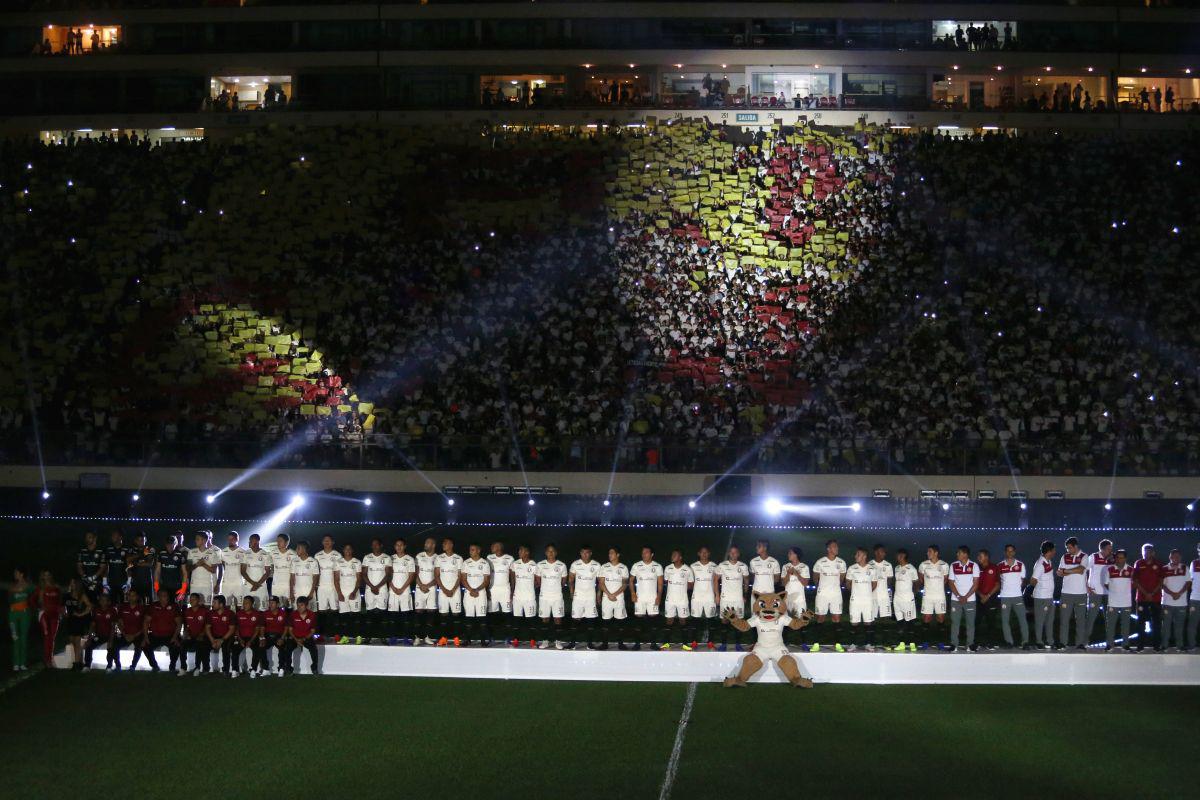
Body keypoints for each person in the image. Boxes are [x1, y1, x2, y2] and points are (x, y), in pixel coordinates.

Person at [812, 539, 848, 650]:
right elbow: (815, 577)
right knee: (820, 618)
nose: (836, 548)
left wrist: (834, 586)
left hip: (836, 594)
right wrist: (821, 587)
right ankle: (816, 644)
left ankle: (837, 644)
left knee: (836, 618)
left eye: (837, 547)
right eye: (834, 547)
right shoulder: (820, 562)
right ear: (828, 549)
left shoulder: (841, 563)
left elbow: (841, 578)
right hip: (822, 594)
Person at [1056, 536, 1088, 650]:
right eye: (1067, 548)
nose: (1068, 550)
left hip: (1081, 593)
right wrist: (1067, 571)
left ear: (1075, 546)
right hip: (1066, 593)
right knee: (1064, 619)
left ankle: (1080, 643)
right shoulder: (1064, 557)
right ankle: (1063, 642)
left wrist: (1067, 571)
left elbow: (1081, 570)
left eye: (1069, 548)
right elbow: (1059, 573)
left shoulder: (1084, 556)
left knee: (1080, 620)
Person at [629, 546, 663, 651]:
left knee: (653, 622)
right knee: (638, 621)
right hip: (640, 598)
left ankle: (653, 644)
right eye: (643, 552)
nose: (644, 554)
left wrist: (659, 596)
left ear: (652, 554)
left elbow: (660, 584)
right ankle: (637, 644)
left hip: (653, 598)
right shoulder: (636, 565)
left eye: (646, 552)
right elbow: (630, 581)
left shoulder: (657, 566)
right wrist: (633, 593)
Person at [997, 544, 1030, 649]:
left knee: (1022, 620)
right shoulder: (1000, 565)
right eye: (1008, 551)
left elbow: (1022, 581)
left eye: (1012, 551)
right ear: (1005, 552)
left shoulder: (1020, 565)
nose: (1010, 553)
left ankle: (1025, 642)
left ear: (1014, 552)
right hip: (1005, 597)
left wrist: (1016, 589)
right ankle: (1009, 642)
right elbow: (998, 581)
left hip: (1017, 597)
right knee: (1005, 621)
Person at [716, 546, 749, 651]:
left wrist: (744, 594)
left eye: (735, 552)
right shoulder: (722, 565)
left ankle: (738, 644)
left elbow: (746, 581)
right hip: (725, 599)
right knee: (725, 621)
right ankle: (724, 644)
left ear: (738, 554)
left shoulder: (743, 566)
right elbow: (715, 580)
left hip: (738, 599)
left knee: (738, 621)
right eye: (731, 552)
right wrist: (717, 595)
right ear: (729, 554)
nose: (733, 554)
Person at [845, 547, 878, 652]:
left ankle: (868, 644)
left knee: (868, 622)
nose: (855, 556)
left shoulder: (872, 569)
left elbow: (874, 584)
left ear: (864, 556)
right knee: (854, 622)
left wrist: (866, 593)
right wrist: (856, 592)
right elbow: (848, 583)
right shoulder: (851, 568)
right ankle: (853, 644)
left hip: (867, 600)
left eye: (858, 554)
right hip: (855, 600)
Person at [536, 544, 568, 649]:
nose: (551, 553)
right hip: (544, 596)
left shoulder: (562, 565)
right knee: (545, 619)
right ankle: (545, 641)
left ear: (556, 552)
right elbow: (538, 580)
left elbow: (563, 581)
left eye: (553, 551)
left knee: (557, 619)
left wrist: (555, 588)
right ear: (545, 553)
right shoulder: (540, 565)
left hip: (557, 596)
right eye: (549, 551)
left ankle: (558, 641)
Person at [1132, 543, 1164, 652]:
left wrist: (1152, 593)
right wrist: (1146, 593)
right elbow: (1135, 581)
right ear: (1142, 552)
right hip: (1141, 598)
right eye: (1144, 552)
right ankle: (1140, 646)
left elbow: (1161, 581)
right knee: (1140, 623)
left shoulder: (1158, 564)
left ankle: (1156, 646)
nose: (1146, 554)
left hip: (1156, 598)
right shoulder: (1138, 563)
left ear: (1153, 552)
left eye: (1149, 552)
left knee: (1156, 623)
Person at [948, 546, 979, 652]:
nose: (957, 554)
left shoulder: (974, 566)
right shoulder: (953, 565)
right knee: (955, 623)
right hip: (955, 600)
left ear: (965, 554)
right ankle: (954, 644)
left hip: (970, 600)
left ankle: (970, 644)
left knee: (970, 623)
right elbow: (951, 583)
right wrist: (958, 596)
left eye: (959, 553)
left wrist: (965, 597)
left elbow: (976, 584)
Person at [568, 546, 601, 649]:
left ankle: (590, 644)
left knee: (590, 621)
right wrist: (571, 592)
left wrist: (598, 595)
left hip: (590, 597)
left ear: (590, 553)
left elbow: (600, 582)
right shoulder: (575, 564)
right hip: (578, 597)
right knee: (575, 620)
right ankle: (572, 644)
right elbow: (570, 580)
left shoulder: (596, 565)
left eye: (587, 553)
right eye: (583, 552)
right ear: (580, 553)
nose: (585, 555)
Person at [142, 589, 182, 673]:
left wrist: (175, 637)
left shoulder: (174, 606)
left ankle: (172, 665)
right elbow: (146, 622)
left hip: (170, 635)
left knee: (176, 646)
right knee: (145, 646)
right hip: (155, 635)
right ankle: (154, 666)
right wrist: (145, 637)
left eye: (166, 596)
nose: (165, 598)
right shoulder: (153, 606)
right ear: (158, 597)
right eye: (162, 596)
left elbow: (179, 623)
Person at [661, 550, 694, 650]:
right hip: (670, 599)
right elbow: (666, 581)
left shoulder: (687, 569)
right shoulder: (668, 568)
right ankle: (666, 643)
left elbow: (691, 584)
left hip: (682, 600)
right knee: (669, 620)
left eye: (675, 555)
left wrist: (681, 590)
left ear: (680, 557)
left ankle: (685, 644)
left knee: (683, 621)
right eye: (672, 554)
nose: (672, 556)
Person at [1102, 550, 1135, 651]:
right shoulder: (1110, 569)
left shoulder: (1131, 569)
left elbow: (1134, 584)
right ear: (1115, 558)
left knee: (1125, 624)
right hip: (1113, 601)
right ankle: (1109, 644)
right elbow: (1106, 584)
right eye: (1118, 557)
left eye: (1122, 558)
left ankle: (1125, 644)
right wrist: (1114, 592)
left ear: (1125, 558)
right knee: (1110, 624)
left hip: (1126, 602)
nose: (1120, 559)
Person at [918, 545, 950, 645]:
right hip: (928, 596)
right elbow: (921, 579)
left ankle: (941, 642)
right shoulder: (923, 564)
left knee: (940, 618)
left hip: (940, 596)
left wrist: (937, 587)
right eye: (927, 552)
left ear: (936, 553)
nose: (928, 553)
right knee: (927, 618)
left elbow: (945, 580)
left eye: (930, 551)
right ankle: (925, 642)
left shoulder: (944, 565)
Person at [1084, 539, 1114, 646]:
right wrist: (1086, 586)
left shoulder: (1112, 559)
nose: (1110, 551)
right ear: (1101, 549)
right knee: (1091, 617)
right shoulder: (1093, 557)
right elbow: (1084, 571)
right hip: (1095, 592)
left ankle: (1110, 642)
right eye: (1108, 549)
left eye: (1111, 549)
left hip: (1109, 593)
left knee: (1110, 618)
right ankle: (1085, 641)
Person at [434, 538, 464, 645]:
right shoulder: (439, 558)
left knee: (456, 614)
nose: (443, 544)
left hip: (455, 591)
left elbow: (460, 576)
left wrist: (453, 589)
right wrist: (444, 589)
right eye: (443, 543)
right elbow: (437, 576)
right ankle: (443, 638)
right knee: (444, 615)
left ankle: (456, 638)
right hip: (443, 591)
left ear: (451, 544)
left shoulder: (459, 558)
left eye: (445, 543)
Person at [361, 538, 391, 641]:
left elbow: (387, 574)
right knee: (370, 613)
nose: (374, 546)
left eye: (377, 544)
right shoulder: (367, 557)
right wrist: (372, 586)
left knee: (382, 613)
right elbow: (364, 574)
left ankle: (383, 637)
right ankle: (368, 637)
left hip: (382, 590)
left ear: (381, 545)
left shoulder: (387, 557)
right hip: (370, 589)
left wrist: (377, 586)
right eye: (373, 545)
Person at [599, 547, 629, 650]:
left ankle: (620, 644)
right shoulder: (604, 567)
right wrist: (609, 594)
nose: (609, 555)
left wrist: (614, 594)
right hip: (606, 598)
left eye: (612, 553)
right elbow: (601, 583)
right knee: (605, 622)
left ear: (618, 555)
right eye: (609, 553)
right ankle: (605, 644)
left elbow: (625, 584)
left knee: (619, 622)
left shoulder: (623, 568)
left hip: (619, 598)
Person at [1028, 540, 1057, 650]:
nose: (1055, 552)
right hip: (1041, 597)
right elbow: (1033, 580)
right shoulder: (1040, 564)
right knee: (1040, 621)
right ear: (1049, 551)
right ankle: (1039, 641)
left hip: (1049, 597)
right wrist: (1032, 592)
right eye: (1053, 550)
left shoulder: (1048, 562)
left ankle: (1050, 641)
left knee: (1050, 621)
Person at [461, 543, 491, 646]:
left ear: (478, 551)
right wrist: (471, 590)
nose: (470, 551)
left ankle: (483, 640)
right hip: (469, 593)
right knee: (468, 617)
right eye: (470, 549)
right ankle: (467, 639)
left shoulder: (485, 563)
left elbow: (487, 580)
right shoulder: (466, 563)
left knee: (481, 618)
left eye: (473, 550)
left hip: (480, 593)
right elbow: (463, 579)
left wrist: (477, 589)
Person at [33, 571, 64, 668]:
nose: (47, 577)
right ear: (42, 577)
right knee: (47, 636)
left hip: (55, 615)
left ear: (51, 576)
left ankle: (49, 658)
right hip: (44, 615)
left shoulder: (56, 588)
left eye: (48, 575)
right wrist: (38, 607)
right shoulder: (40, 588)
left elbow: (60, 601)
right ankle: (47, 660)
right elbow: (32, 600)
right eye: (45, 575)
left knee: (52, 637)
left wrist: (61, 612)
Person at [689, 546, 718, 649]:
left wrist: (716, 595)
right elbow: (690, 582)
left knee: (711, 621)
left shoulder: (714, 566)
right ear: (699, 553)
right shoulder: (693, 566)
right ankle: (694, 641)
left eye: (706, 552)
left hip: (710, 597)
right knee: (695, 621)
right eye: (702, 552)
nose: (704, 554)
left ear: (709, 554)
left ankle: (710, 642)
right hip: (696, 597)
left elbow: (716, 582)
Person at [511, 545, 540, 647]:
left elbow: (538, 581)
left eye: (522, 550)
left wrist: (530, 588)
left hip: (529, 597)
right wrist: (512, 591)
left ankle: (532, 640)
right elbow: (513, 579)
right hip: (517, 597)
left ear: (527, 552)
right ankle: (515, 640)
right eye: (519, 550)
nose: (519, 552)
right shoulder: (515, 564)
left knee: (531, 620)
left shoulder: (534, 565)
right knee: (516, 619)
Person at [112, 588, 147, 671]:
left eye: (133, 596)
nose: (131, 598)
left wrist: (135, 635)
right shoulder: (123, 607)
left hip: (138, 634)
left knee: (140, 647)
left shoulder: (142, 608)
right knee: (114, 646)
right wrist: (125, 634)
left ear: (137, 597)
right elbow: (119, 623)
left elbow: (145, 625)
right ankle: (117, 666)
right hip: (125, 634)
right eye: (129, 596)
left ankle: (133, 666)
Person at [388, 538, 416, 644]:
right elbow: (388, 575)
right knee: (393, 616)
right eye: (397, 545)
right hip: (393, 591)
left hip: (405, 591)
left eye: (401, 545)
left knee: (406, 617)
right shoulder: (390, 558)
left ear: (405, 546)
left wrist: (402, 588)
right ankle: (393, 637)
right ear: (394, 546)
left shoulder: (410, 559)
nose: (399, 547)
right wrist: (393, 588)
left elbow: (411, 576)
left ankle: (406, 638)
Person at [1161, 548, 1189, 652]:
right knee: (1166, 626)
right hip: (1167, 602)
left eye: (1178, 556)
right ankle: (1164, 645)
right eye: (1174, 556)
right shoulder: (1164, 568)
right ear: (1170, 557)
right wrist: (1173, 593)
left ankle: (1180, 645)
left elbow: (1188, 583)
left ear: (1180, 557)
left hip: (1181, 603)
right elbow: (1162, 585)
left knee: (1179, 627)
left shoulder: (1185, 568)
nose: (1176, 558)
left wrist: (1179, 593)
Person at [283, 597, 320, 675]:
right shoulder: (293, 614)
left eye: (301, 605)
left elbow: (313, 631)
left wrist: (303, 639)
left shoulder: (312, 615)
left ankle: (314, 668)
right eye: (298, 605)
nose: (299, 607)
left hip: (306, 637)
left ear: (306, 606)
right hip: (294, 637)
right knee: (287, 648)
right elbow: (290, 630)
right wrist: (296, 640)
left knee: (314, 650)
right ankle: (289, 669)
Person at [891, 549, 919, 651]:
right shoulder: (897, 568)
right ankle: (901, 643)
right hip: (897, 599)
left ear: (903, 555)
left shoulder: (911, 568)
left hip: (907, 599)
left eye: (898, 555)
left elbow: (916, 583)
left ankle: (912, 644)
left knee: (909, 621)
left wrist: (913, 595)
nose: (896, 557)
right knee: (900, 622)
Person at [63, 579, 93, 671]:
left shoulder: (81, 595)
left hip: (79, 621)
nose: (72, 585)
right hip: (70, 620)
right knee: (72, 640)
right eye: (71, 583)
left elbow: (89, 606)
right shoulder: (67, 595)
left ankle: (76, 664)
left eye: (73, 583)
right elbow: (63, 606)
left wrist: (81, 614)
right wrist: (64, 613)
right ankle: (79, 662)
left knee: (77, 641)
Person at [486, 541, 513, 644]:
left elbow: (512, 576)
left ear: (499, 547)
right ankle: (491, 637)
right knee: (491, 615)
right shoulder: (489, 557)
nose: (491, 547)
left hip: (505, 590)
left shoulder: (509, 558)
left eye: (494, 545)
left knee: (507, 614)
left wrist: (512, 590)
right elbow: (487, 574)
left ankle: (508, 638)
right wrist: (487, 589)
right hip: (492, 590)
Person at [413, 537, 439, 645]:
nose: (426, 544)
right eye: (425, 542)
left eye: (428, 543)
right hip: (420, 588)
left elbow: (438, 575)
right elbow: (415, 573)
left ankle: (428, 636)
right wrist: (421, 585)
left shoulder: (438, 558)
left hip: (432, 588)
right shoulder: (419, 556)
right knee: (419, 612)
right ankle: (417, 637)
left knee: (431, 612)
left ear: (433, 545)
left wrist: (427, 585)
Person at [335, 544, 363, 641]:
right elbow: (336, 579)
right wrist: (339, 593)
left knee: (356, 617)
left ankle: (358, 637)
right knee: (344, 617)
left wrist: (354, 591)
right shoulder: (338, 562)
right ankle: (345, 637)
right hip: (343, 593)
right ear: (343, 550)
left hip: (354, 593)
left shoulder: (357, 562)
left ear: (352, 550)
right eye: (346, 548)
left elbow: (359, 579)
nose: (347, 550)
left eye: (349, 549)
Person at [232, 597, 265, 677]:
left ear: (252, 604)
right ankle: (235, 670)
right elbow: (236, 628)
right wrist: (240, 639)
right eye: (244, 603)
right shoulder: (239, 614)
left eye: (247, 603)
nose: (244, 605)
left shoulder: (257, 614)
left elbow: (257, 629)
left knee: (257, 649)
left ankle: (253, 670)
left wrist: (250, 641)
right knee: (234, 649)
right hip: (241, 637)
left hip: (252, 638)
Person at [868, 544, 894, 645]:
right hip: (872, 596)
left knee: (886, 619)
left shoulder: (888, 565)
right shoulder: (869, 564)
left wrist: (887, 591)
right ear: (876, 552)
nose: (884, 553)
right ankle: (871, 642)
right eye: (881, 551)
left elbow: (890, 581)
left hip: (884, 596)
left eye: (884, 551)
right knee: (871, 619)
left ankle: (886, 642)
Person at [313, 535, 341, 626]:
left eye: (329, 540)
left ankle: (335, 632)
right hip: (321, 587)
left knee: (334, 609)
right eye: (325, 540)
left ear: (333, 542)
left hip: (333, 586)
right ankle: (323, 632)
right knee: (322, 610)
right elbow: (315, 572)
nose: (327, 542)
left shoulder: (337, 555)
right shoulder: (317, 555)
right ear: (322, 542)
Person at [205, 595, 236, 675]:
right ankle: (205, 668)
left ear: (221, 604)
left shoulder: (230, 613)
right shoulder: (210, 613)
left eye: (214, 603)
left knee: (226, 649)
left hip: (226, 637)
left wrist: (222, 640)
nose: (212, 604)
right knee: (203, 646)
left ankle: (226, 670)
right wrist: (212, 640)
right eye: (212, 602)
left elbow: (232, 629)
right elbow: (207, 628)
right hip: (213, 637)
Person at [975, 549, 1000, 649]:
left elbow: (997, 585)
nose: (978, 558)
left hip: (991, 599)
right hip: (979, 599)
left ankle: (991, 643)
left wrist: (988, 596)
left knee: (991, 622)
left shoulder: (994, 567)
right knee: (977, 622)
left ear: (986, 557)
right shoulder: (976, 568)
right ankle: (976, 643)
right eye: (978, 556)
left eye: (980, 556)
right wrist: (981, 595)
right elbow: (974, 584)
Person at [187, 531, 220, 605]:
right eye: (196, 539)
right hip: (195, 585)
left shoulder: (213, 553)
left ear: (204, 540)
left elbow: (214, 570)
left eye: (197, 539)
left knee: (207, 608)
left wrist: (203, 564)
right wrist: (197, 564)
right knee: (194, 606)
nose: (195, 541)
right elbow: (188, 569)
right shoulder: (191, 552)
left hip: (207, 585)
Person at [181, 593, 210, 675]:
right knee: (182, 645)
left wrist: (202, 634)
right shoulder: (187, 611)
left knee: (200, 645)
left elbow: (207, 626)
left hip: (202, 636)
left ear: (198, 601)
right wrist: (186, 634)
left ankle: (198, 667)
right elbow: (186, 626)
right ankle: (183, 668)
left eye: (193, 599)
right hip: (191, 636)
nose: (191, 601)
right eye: (190, 599)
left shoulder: (205, 611)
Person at [240, 533, 272, 611]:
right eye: (249, 541)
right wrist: (253, 583)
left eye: (251, 541)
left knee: (262, 609)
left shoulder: (265, 554)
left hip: (261, 586)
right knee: (246, 609)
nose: (249, 543)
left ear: (257, 541)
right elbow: (243, 571)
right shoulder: (246, 553)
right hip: (248, 586)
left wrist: (258, 584)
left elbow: (268, 572)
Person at [88, 593, 117, 671]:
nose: (102, 602)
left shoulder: (112, 610)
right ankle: (87, 665)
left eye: (104, 600)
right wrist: (90, 638)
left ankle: (109, 666)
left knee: (111, 647)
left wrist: (110, 639)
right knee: (89, 645)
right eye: (101, 600)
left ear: (108, 602)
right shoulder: (96, 610)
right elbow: (92, 625)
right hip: (99, 635)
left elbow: (113, 626)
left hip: (109, 634)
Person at [269, 534, 300, 608]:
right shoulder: (273, 553)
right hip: (276, 585)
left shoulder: (293, 554)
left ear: (286, 542)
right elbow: (270, 567)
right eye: (277, 541)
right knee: (276, 606)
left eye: (280, 541)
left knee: (288, 606)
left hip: (288, 585)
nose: (278, 543)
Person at [155, 534, 187, 603]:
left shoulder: (180, 555)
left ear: (176, 544)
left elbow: (184, 572)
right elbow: (157, 571)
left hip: (176, 585)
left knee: (176, 607)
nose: (170, 547)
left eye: (172, 545)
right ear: (165, 544)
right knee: (164, 605)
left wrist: (183, 588)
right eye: (168, 544)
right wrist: (156, 586)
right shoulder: (161, 554)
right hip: (164, 586)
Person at [218, 531, 247, 609]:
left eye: (232, 539)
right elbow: (223, 566)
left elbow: (245, 568)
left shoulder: (243, 552)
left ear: (237, 539)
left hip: (239, 583)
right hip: (227, 584)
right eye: (229, 539)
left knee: (239, 607)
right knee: (226, 607)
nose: (230, 541)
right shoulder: (223, 551)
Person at [262, 597, 288, 675]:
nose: (270, 604)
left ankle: (281, 668)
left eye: (272, 603)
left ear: (278, 604)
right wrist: (262, 638)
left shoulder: (283, 613)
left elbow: (286, 628)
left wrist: (282, 638)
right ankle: (265, 668)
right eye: (270, 603)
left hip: (279, 635)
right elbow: (262, 627)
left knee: (283, 646)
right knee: (260, 646)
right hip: (268, 635)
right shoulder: (265, 613)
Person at [127, 533, 156, 601]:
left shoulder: (150, 549)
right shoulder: (132, 549)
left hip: (147, 580)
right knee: (136, 601)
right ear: (135, 541)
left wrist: (135, 563)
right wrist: (141, 554)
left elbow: (149, 563)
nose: (140, 542)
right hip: (135, 580)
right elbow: (128, 560)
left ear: (145, 540)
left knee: (148, 602)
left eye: (142, 540)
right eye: (138, 540)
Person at [76, 532, 105, 599]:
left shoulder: (101, 551)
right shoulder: (82, 551)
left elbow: (103, 567)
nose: (87, 539)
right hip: (85, 581)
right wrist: (84, 576)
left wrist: (93, 577)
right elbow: (79, 566)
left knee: (97, 601)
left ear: (95, 538)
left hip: (97, 581)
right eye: (86, 537)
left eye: (89, 537)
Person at [103, 530, 130, 600]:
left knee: (124, 604)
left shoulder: (127, 549)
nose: (112, 538)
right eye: (112, 536)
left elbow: (129, 566)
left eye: (114, 536)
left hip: (123, 583)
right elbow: (106, 566)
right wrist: (104, 582)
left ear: (120, 537)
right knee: (111, 603)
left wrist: (129, 582)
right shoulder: (108, 549)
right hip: (111, 583)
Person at [1189, 543, 1200, 652]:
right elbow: (1190, 580)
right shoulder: (1194, 563)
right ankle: (1192, 645)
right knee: (1193, 624)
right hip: (1195, 598)